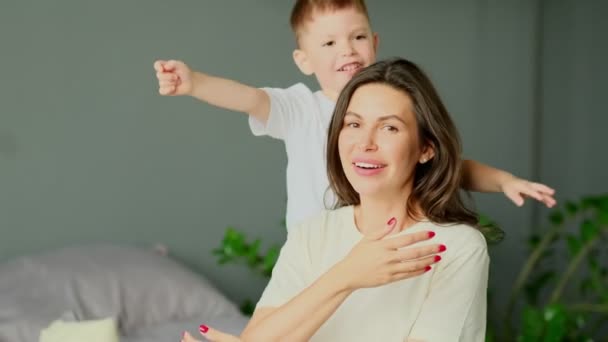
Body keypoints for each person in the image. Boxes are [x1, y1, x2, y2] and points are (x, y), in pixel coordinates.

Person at [154, 0, 556, 231]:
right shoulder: (302, 108)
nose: (346, 49)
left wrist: (504, 180)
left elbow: (443, 165)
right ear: (304, 59)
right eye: (329, 42)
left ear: (375, 43)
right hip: (319, 254)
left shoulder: (398, 104)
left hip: (382, 242)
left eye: (357, 36)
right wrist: (195, 82)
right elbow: (249, 99)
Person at [182, 57, 490, 342]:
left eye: (389, 127)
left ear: (426, 148)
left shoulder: (457, 248)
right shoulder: (313, 234)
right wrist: (344, 277)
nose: (364, 143)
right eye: (354, 124)